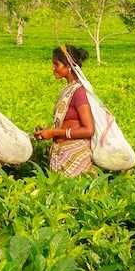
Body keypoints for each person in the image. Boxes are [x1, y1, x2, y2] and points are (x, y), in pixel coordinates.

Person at [33, 45, 97, 177]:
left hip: (75, 155)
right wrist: (47, 131)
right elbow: (68, 121)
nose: (53, 68)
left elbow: (88, 130)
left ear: (68, 67)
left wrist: (54, 132)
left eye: (56, 64)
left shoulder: (79, 92)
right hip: (60, 153)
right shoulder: (68, 89)